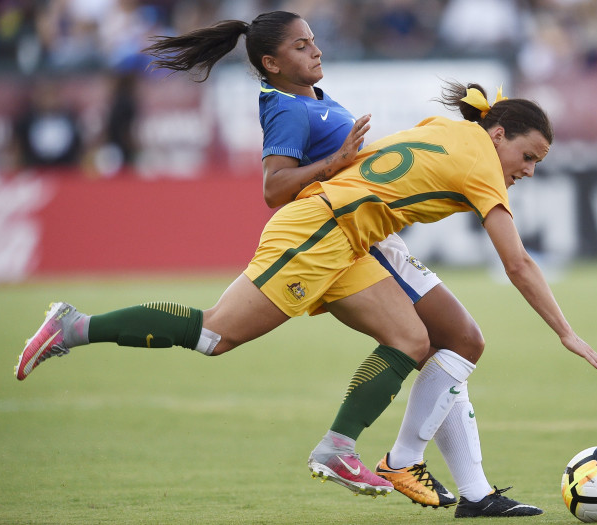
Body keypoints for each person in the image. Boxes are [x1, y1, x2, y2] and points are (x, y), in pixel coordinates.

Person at [14, 17, 597, 521]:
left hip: (355, 239)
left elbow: (382, 168)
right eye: (528, 157)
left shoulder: (447, 129)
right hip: (322, 233)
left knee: (418, 337)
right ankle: (75, 325)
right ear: (499, 133)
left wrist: (348, 176)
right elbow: (517, 261)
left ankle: (355, 453)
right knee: (214, 334)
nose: (528, 170)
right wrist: (565, 331)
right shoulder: (464, 155)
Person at [140, 11, 548, 516]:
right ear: (272, 62)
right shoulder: (287, 106)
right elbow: (276, 188)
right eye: (302, 45)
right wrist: (335, 168)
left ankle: (469, 491)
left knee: (452, 341)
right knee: (221, 335)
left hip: (367, 233)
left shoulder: (317, 99)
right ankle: (392, 460)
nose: (317, 51)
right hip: (346, 234)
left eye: (314, 41)